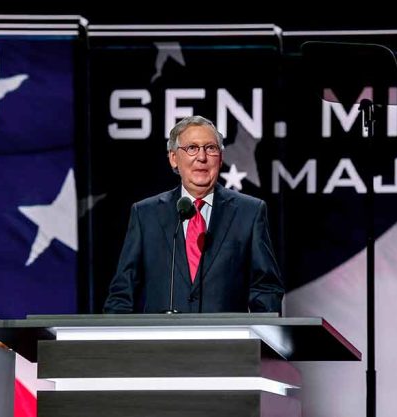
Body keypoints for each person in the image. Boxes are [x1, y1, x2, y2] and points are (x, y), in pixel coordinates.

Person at [103, 115, 284, 314]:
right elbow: (122, 293)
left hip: (227, 343)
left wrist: (256, 338)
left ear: (221, 158)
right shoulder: (146, 214)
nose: (202, 157)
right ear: (173, 158)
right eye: (192, 148)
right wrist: (118, 343)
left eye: (211, 148)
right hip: (162, 343)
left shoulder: (249, 212)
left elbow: (266, 289)